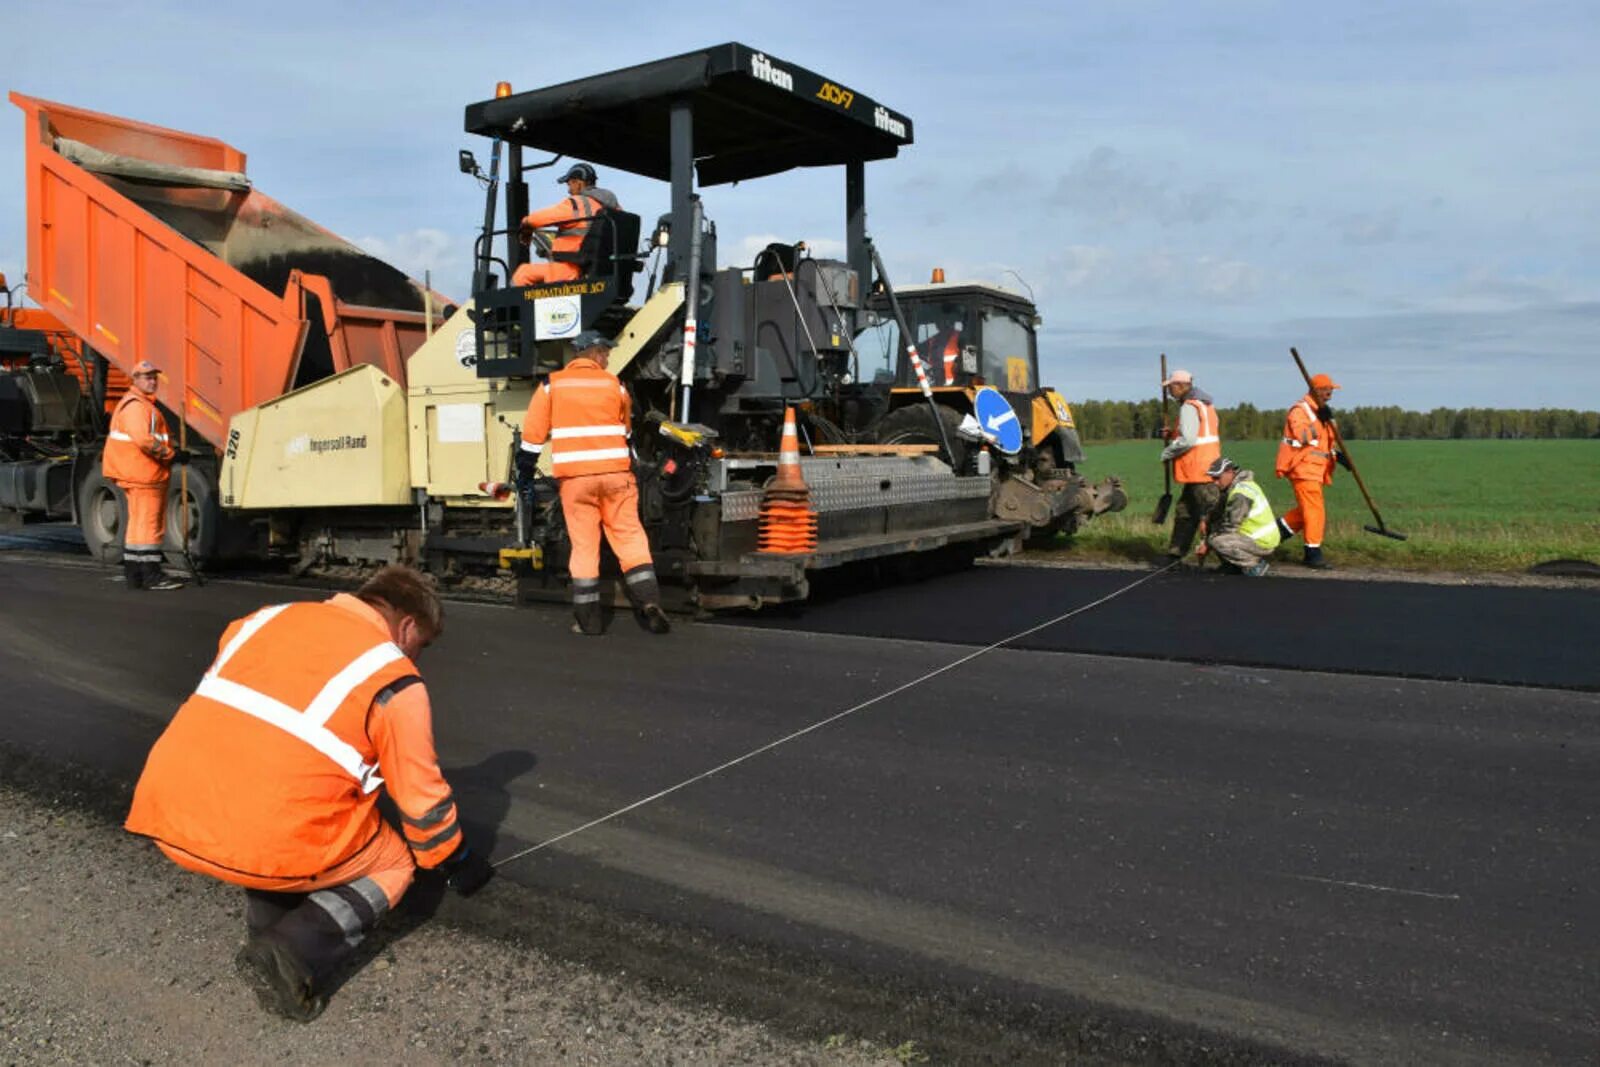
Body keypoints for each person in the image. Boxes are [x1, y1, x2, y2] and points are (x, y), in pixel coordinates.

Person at [124, 565, 493, 1021]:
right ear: (409, 626)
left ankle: (265, 933)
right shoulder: (393, 678)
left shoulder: (262, 621)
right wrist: (455, 861)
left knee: (277, 800)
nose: (419, 659)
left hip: (171, 812)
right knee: (394, 860)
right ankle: (292, 952)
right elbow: (422, 802)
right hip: (258, 835)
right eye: (424, 646)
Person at [517, 330, 671, 636]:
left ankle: (589, 621)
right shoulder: (616, 385)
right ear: (595, 354)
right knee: (629, 537)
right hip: (617, 477)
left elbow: (532, 438)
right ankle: (650, 602)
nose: (608, 358)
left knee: (585, 547)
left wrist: (524, 476)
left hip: (576, 482)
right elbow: (627, 431)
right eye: (607, 353)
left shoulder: (551, 386)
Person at [102, 360, 183, 591]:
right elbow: (144, 440)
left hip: (137, 473)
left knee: (138, 526)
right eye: (146, 377)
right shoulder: (138, 407)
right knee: (149, 526)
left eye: (154, 376)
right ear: (134, 379)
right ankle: (150, 575)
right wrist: (171, 455)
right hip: (145, 474)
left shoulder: (137, 404)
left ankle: (134, 574)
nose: (152, 381)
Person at [1274, 372, 1352, 569]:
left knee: (1304, 513)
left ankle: (1269, 537)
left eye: (1331, 390)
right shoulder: (1300, 411)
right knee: (1315, 510)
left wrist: (1338, 457)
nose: (1330, 394)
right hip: (1302, 468)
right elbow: (1304, 436)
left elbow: (1321, 446)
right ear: (1316, 390)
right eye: (1327, 390)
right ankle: (1313, 553)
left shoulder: (1320, 411)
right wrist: (1320, 420)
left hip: (1314, 469)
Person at [511, 163, 618, 287]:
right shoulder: (613, 208)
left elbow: (538, 218)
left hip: (571, 269)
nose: (568, 190)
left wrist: (526, 224)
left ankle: (510, 307)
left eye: (569, 184)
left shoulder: (578, 203)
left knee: (523, 272)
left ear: (579, 183)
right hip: (604, 271)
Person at [1157, 367, 1222, 561]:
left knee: (1213, 517)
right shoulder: (1205, 405)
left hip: (1198, 470)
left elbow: (1189, 440)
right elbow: (1196, 434)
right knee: (1185, 512)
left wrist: (1167, 453)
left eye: (1171, 387)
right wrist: (1172, 434)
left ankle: (1231, 559)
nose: (1169, 392)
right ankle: (1174, 556)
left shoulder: (1189, 406)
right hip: (1205, 468)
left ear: (1180, 386)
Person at [1200, 456, 1279, 576]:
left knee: (1217, 540)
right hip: (1252, 536)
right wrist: (1206, 523)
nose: (1215, 482)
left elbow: (1230, 527)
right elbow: (1217, 515)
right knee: (1214, 532)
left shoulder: (1241, 493)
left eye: (1217, 478)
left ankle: (1255, 566)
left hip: (1261, 540)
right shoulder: (1233, 488)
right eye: (1213, 478)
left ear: (1229, 472)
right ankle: (1232, 566)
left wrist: (1207, 544)